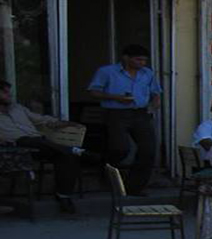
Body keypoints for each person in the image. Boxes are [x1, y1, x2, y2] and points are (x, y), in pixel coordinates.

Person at [0, 80, 97, 213]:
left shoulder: (17, 108)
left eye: (8, 91)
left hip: (39, 143)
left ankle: (63, 196)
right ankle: (76, 151)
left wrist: (60, 123)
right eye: (4, 92)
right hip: (15, 148)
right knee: (31, 141)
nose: (9, 95)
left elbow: (40, 119)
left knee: (67, 156)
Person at [87, 44, 162, 196]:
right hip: (116, 113)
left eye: (144, 60)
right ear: (126, 58)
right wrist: (116, 97)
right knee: (120, 148)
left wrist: (154, 106)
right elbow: (94, 91)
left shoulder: (147, 73)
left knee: (148, 150)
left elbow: (156, 92)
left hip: (140, 113)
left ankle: (134, 187)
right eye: (138, 60)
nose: (142, 63)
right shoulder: (107, 72)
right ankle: (106, 172)